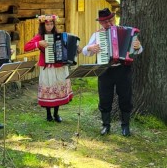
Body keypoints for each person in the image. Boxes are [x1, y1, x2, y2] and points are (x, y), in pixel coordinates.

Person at [81, 8, 142, 136]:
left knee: (125, 97)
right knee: (105, 97)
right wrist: (90, 48)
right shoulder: (97, 35)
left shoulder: (127, 32)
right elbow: (85, 51)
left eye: (110, 20)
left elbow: (137, 51)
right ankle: (105, 125)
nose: (108, 24)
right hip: (105, 70)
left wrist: (138, 47)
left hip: (123, 69)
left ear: (113, 19)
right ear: (100, 23)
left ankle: (125, 126)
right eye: (104, 22)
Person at [23, 15, 73, 122]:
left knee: (57, 90)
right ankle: (48, 114)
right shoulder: (40, 37)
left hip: (59, 67)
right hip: (47, 67)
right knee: (49, 90)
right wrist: (38, 43)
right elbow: (26, 47)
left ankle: (56, 114)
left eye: (51, 24)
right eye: (47, 24)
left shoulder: (59, 36)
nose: (49, 26)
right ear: (43, 25)